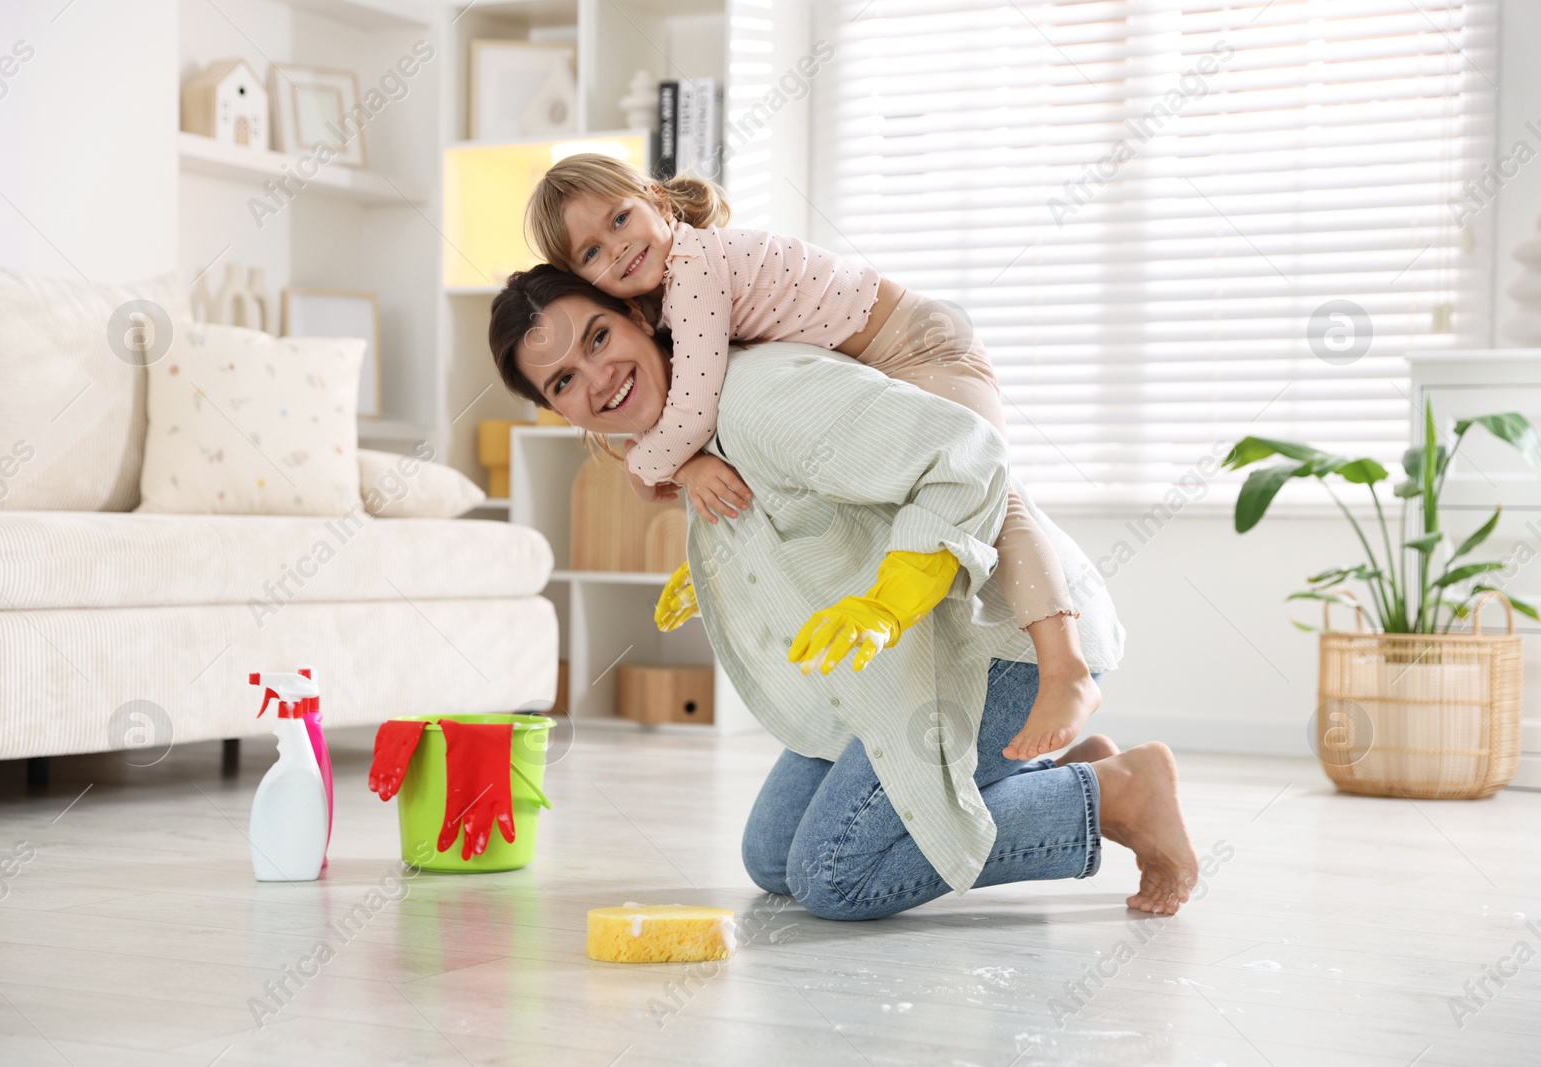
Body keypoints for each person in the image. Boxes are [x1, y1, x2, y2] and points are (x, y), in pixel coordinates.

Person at [488, 265, 1199, 918]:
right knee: (772, 860)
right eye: (562, 381)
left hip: (991, 649)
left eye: (599, 335)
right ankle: (1054, 772)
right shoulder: (688, 432)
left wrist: (893, 596)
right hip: (896, 669)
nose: (597, 374)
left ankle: (1116, 793)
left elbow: (969, 456)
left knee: (833, 874)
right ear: (559, 411)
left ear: (643, 316)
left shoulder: (762, 397)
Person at [522, 154, 1095, 763]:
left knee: (988, 490)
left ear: (658, 204)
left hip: (924, 345)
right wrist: (685, 465)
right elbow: (701, 418)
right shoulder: (665, 298)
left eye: (619, 219)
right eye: (589, 254)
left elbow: (692, 411)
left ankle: (1065, 668)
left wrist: (645, 466)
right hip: (882, 354)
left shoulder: (693, 271)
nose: (616, 249)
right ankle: (1083, 769)